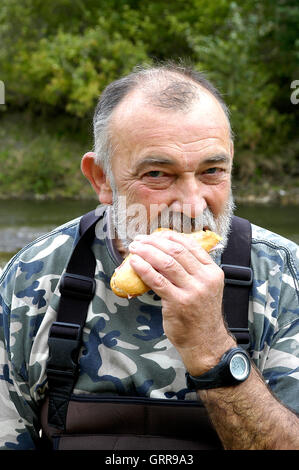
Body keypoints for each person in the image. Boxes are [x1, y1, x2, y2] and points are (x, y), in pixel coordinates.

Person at [0, 62, 298, 450]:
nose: (193, 207)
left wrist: (212, 350)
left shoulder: (285, 276)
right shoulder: (30, 277)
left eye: (212, 171)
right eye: (158, 174)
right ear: (101, 178)